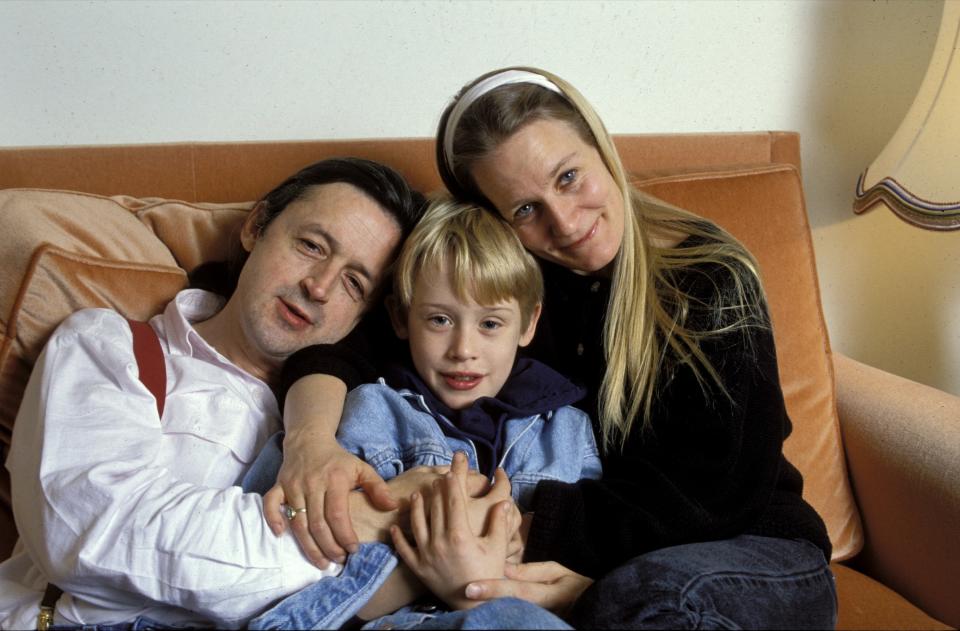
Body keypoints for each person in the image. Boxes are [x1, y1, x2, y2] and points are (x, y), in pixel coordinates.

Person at [269, 67, 838, 629]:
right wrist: (311, 441)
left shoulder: (708, 274)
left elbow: (720, 490)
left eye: (568, 177)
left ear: (600, 145)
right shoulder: (514, 288)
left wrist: (513, 539)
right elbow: (341, 348)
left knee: (640, 602)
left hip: (756, 548)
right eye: (524, 210)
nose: (564, 223)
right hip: (615, 563)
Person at [0, 157, 429, 630]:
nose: (320, 286)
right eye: (311, 246)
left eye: (354, 282)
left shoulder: (362, 423)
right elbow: (92, 532)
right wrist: (359, 524)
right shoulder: (106, 345)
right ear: (255, 227)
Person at [242, 197, 600, 630]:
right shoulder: (370, 414)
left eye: (490, 324)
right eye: (439, 321)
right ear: (399, 317)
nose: (463, 350)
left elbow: (572, 581)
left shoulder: (567, 431)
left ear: (528, 324)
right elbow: (284, 582)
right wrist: (446, 579)